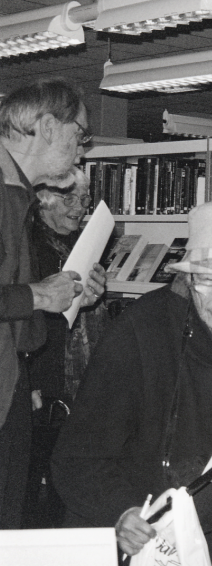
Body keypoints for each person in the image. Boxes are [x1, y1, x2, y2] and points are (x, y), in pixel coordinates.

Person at [51, 199, 212, 566]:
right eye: (207, 282)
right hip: (156, 534)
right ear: (187, 276)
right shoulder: (137, 332)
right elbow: (77, 457)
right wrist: (121, 512)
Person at [0, 78, 106, 529]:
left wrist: (54, 298)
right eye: (79, 135)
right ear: (46, 126)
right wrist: (38, 294)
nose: (81, 151)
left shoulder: (15, 194)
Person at [24, 168, 110, 528]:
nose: (80, 208)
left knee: (69, 482)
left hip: (73, 386)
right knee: (29, 486)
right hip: (38, 380)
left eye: (85, 200)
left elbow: (76, 318)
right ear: (43, 202)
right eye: (69, 198)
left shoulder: (76, 247)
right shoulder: (29, 247)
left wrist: (92, 296)